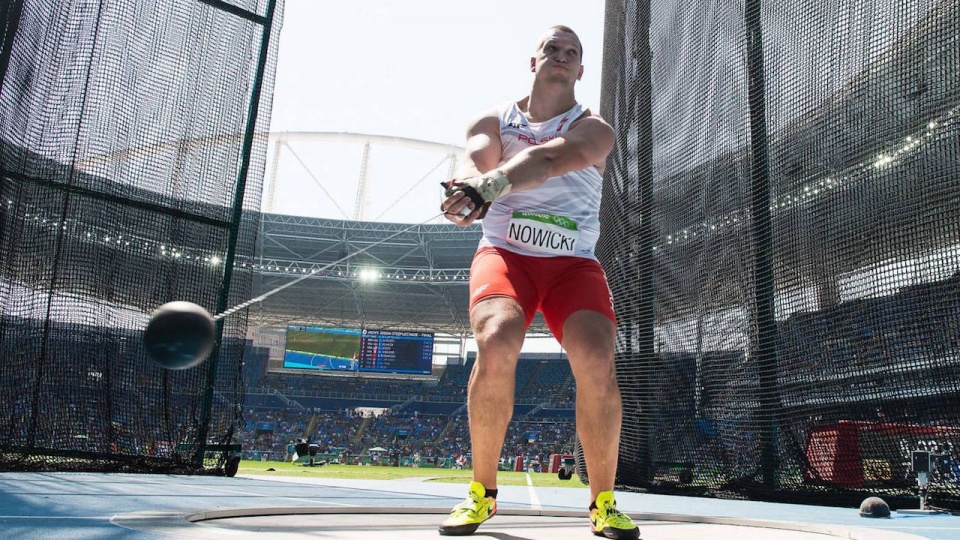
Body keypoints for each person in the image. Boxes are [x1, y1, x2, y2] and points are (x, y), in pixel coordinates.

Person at [438, 25, 638, 540]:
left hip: (571, 263)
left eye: (572, 53)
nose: (562, 57)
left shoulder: (595, 129)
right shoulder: (494, 118)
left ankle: (604, 503)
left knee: (596, 359)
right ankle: (481, 495)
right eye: (553, 48)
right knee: (497, 339)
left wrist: (491, 185)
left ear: (580, 70)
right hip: (508, 254)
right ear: (535, 61)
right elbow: (478, 154)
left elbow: (548, 160)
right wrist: (465, 186)